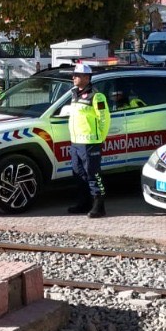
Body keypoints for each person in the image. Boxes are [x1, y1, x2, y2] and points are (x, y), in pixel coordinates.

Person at [65, 62, 110, 218]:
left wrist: (99, 139)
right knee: (78, 173)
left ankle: (99, 205)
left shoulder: (96, 96)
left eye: (77, 75)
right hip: (76, 141)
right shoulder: (75, 94)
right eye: (74, 75)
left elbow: (104, 119)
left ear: (86, 77)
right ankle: (84, 203)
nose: (74, 77)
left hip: (90, 142)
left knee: (93, 174)